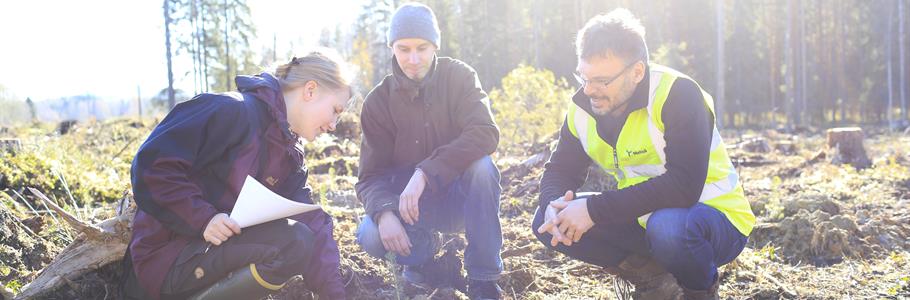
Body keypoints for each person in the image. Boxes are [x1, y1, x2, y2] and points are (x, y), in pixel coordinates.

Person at [533, 8, 755, 300]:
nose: (589, 90)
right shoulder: (583, 106)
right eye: (583, 77)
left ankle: (699, 291)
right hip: (643, 217)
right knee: (546, 222)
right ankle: (655, 281)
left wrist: (593, 210)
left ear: (637, 71)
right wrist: (553, 203)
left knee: (669, 228)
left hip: (714, 220)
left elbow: (684, 186)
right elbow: (560, 169)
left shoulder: (678, 94)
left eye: (602, 80)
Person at [122, 49, 353, 300]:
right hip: (163, 263)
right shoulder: (230, 111)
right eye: (335, 110)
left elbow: (312, 222)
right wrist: (204, 219)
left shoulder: (290, 156)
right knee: (292, 241)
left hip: (211, 255)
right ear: (310, 90)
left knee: (299, 238)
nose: (333, 126)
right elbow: (152, 166)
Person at [353, 3, 504, 299]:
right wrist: (384, 214)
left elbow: (485, 133)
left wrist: (425, 172)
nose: (413, 59)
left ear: (435, 45)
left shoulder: (459, 77)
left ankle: (483, 278)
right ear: (392, 47)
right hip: (410, 213)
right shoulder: (377, 102)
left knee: (483, 167)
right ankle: (423, 260)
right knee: (369, 234)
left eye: (422, 47)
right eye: (403, 48)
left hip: (462, 203)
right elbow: (369, 177)